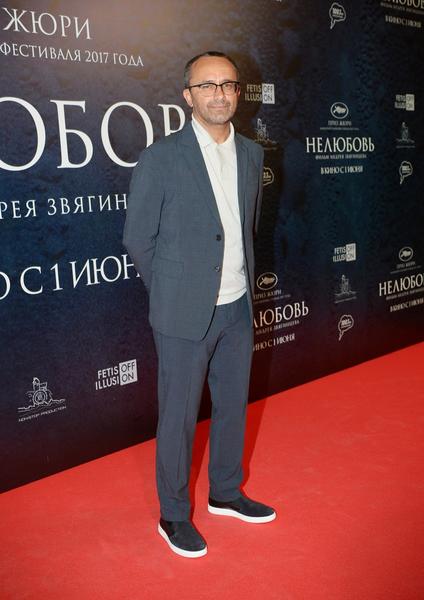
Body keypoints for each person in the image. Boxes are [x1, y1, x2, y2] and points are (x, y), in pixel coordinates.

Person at [123, 51, 276, 559]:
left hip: (237, 305)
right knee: (179, 417)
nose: (218, 94)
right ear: (188, 96)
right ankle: (172, 514)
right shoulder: (162, 157)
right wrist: (173, 292)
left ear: (238, 92)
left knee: (233, 406)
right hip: (183, 313)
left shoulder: (252, 153)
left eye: (227, 84)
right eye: (206, 85)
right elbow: (138, 238)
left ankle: (225, 492)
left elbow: (246, 227)